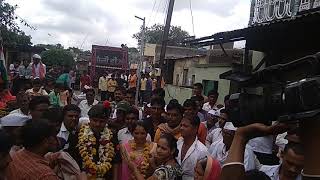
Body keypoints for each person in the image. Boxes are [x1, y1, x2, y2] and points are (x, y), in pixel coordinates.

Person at [68, 104, 120, 179]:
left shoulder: (112, 136)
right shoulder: (77, 136)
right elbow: (72, 160)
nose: (97, 124)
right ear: (89, 119)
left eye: (101, 121)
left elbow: (115, 161)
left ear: (106, 121)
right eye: (95, 120)